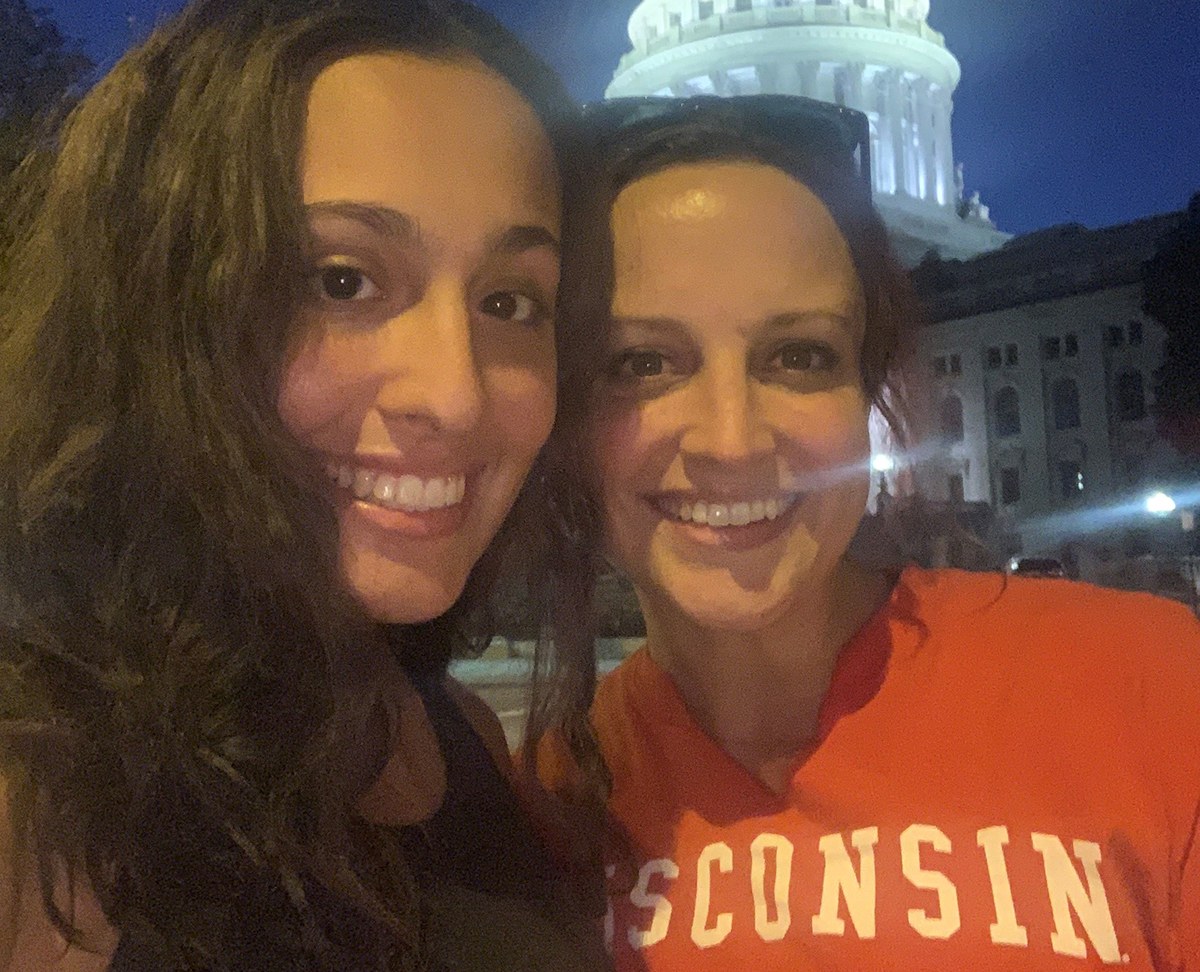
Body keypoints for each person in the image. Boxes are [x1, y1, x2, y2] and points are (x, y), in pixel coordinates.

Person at [0, 0, 609, 968]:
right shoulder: (38, 798)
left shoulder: (457, 741)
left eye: (508, 300)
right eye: (341, 281)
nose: (454, 393)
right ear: (153, 308)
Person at [540, 95, 1200, 970]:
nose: (731, 441)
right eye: (640, 363)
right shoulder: (544, 800)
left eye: (800, 355)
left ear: (869, 392)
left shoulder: (1149, 688)